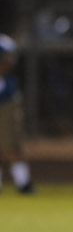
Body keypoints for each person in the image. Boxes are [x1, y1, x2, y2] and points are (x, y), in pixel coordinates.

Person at [0, 33, 34, 194]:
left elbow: (9, 62)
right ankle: (23, 184)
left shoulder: (5, 44)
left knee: (12, 146)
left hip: (6, 105)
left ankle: (23, 183)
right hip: (5, 104)